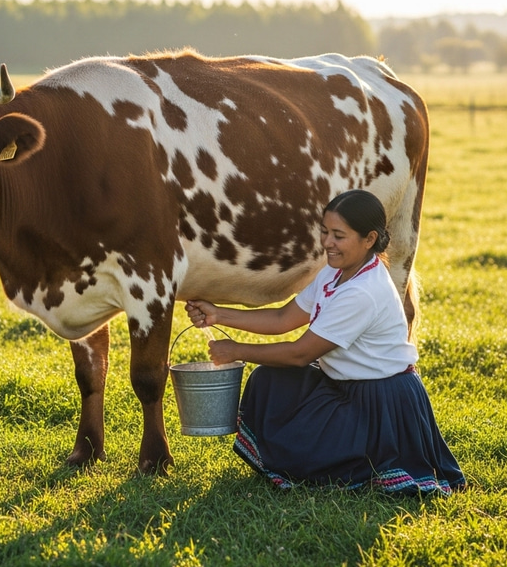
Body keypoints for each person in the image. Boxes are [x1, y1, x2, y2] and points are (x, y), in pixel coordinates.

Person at [184, 189, 465, 495]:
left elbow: (300, 354)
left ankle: (353, 455)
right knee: (269, 381)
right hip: (341, 386)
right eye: (324, 232)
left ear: (369, 239)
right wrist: (218, 315)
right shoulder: (334, 274)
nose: (327, 243)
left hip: (380, 402)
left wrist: (236, 350)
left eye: (338, 236)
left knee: (308, 461)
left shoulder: (363, 291)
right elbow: (283, 319)